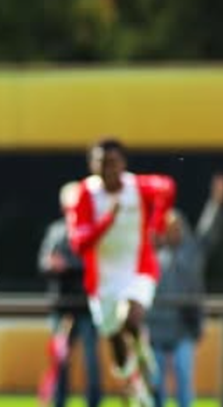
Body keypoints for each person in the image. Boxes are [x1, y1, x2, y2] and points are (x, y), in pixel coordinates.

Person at [66, 138, 176, 406]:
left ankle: (142, 352)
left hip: (137, 269)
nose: (108, 169)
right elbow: (78, 243)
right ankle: (133, 385)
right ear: (93, 165)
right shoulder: (84, 194)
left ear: (123, 164)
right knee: (115, 340)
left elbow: (167, 187)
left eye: (113, 163)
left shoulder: (136, 186)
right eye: (102, 163)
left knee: (131, 317)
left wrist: (157, 226)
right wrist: (107, 221)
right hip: (102, 280)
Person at [149, 173, 223, 407]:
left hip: (183, 327)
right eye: (169, 228)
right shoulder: (151, 254)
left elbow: (209, 230)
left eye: (177, 227)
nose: (174, 231)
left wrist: (216, 201)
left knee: (184, 381)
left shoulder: (192, 251)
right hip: (155, 327)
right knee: (155, 384)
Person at [37, 181, 102, 407]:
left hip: (87, 308)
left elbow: (94, 265)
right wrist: (52, 265)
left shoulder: (92, 231)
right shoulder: (55, 231)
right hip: (62, 308)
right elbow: (44, 264)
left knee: (91, 363)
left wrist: (67, 266)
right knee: (60, 363)